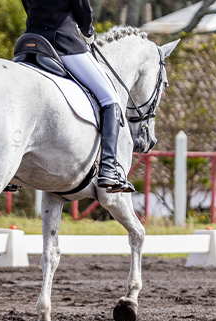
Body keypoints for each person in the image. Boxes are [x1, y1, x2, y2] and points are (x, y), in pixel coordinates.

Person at [20, 0, 134, 193]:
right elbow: (82, 8)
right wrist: (88, 30)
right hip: (62, 41)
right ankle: (108, 168)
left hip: (29, 42)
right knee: (110, 99)